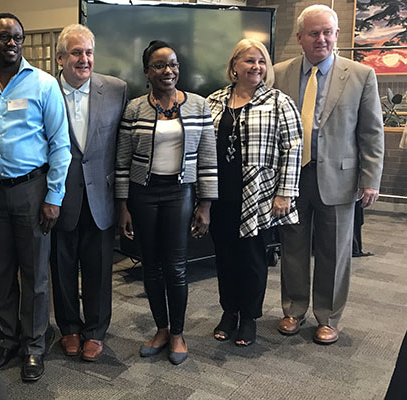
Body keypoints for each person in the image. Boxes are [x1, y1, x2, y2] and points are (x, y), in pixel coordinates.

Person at [0, 12, 70, 382]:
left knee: (35, 275)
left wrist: (54, 196)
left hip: (32, 190)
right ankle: (8, 339)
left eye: (17, 38)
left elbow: (60, 145)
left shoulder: (43, 84)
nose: (11, 43)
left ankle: (34, 345)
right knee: (2, 272)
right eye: (4, 37)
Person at [273, 5, 384, 345]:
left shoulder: (361, 75)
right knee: (292, 247)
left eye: (327, 32)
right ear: (300, 37)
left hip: (340, 177)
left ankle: (328, 316)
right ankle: (293, 309)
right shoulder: (279, 73)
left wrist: (371, 178)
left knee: (334, 252)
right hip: (292, 178)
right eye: (313, 33)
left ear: (336, 35)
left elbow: (371, 132)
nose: (321, 39)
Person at [115, 40, 217, 365]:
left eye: (172, 64)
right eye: (159, 65)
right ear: (147, 72)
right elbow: (122, 161)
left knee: (175, 266)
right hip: (143, 194)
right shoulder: (134, 109)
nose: (167, 71)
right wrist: (123, 205)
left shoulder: (199, 106)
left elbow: (208, 159)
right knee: (152, 265)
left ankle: (178, 333)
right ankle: (160, 328)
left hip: (180, 193)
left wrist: (205, 204)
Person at [206, 39, 302, 347]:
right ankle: (228, 312)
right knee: (224, 257)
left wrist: (285, 193)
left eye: (261, 61)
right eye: (249, 60)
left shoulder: (278, 102)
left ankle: (248, 318)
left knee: (252, 260)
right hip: (220, 197)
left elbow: (293, 148)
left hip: (258, 197)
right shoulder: (214, 101)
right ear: (234, 65)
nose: (256, 67)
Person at [49, 24, 127, 362]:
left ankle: (95, 331)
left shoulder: (116, 89)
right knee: (62, 265)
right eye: (77, 53)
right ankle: (69, 327)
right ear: (60, 58)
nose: (84, 59)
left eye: (89, 52)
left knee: (98, 269)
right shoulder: (45, 90)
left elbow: (122, 147)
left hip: (101, 196)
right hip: (59, 196)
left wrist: (124, 200)